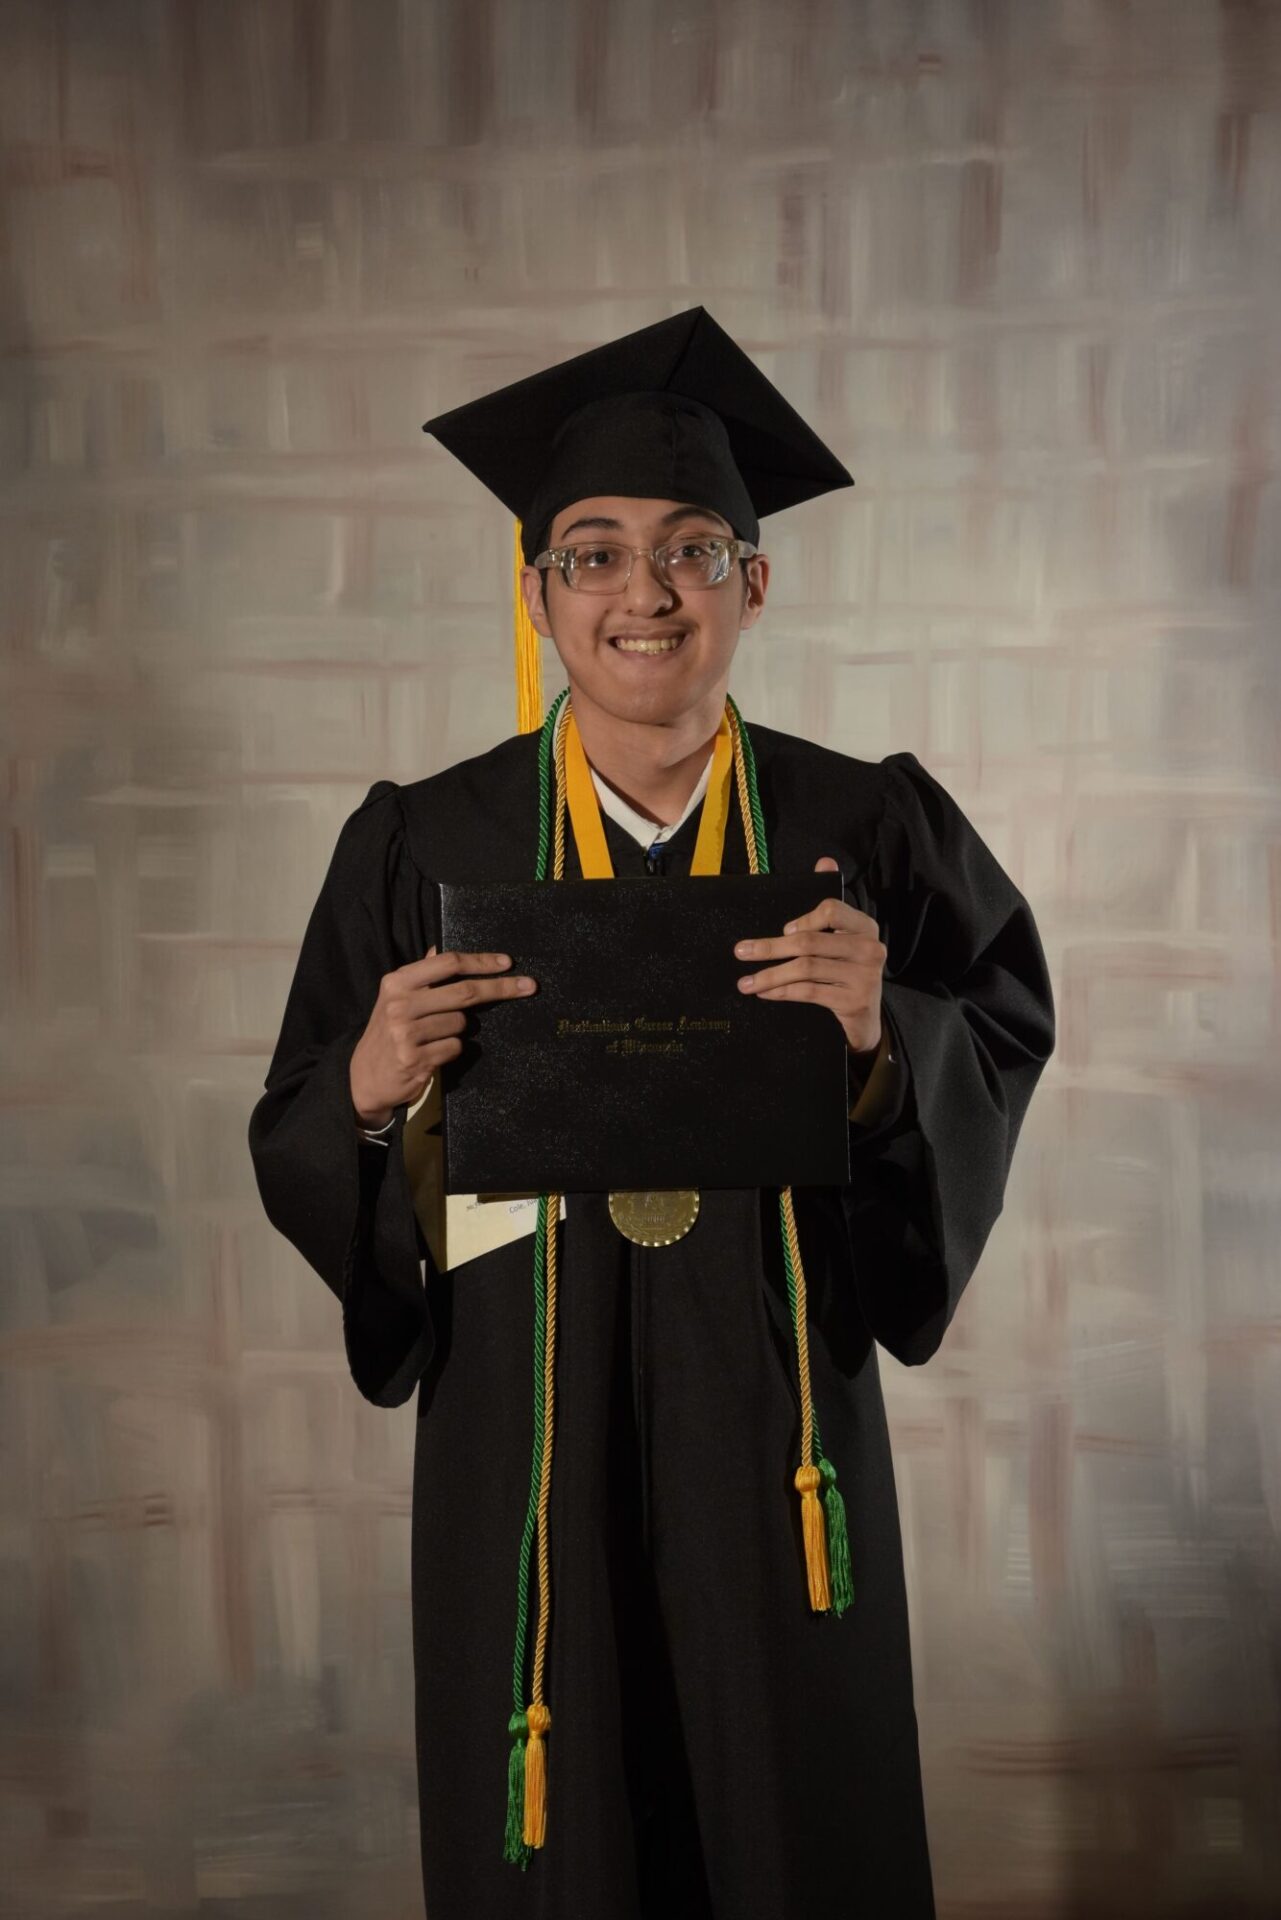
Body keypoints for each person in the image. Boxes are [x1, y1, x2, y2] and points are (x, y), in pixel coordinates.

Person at [247, 307, 1056, 1919]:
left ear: (755, 582)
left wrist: (878, 1029)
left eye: (692, 552)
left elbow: (1001, 1022)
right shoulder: (427, 836)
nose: (645, 595)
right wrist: (364, 1081)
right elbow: (297, 1115)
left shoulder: (858, 819)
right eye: (595, 555)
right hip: (522, 1424)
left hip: (774, 1414)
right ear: (540, 592)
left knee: (785, 1810)